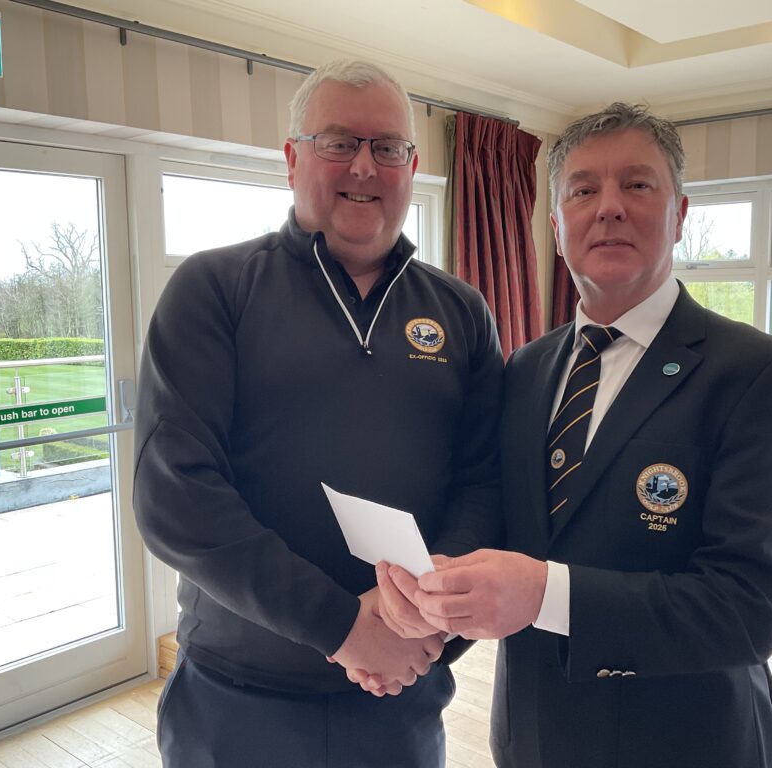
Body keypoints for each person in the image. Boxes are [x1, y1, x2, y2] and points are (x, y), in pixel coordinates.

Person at [379, 103, 772, 767]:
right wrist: (434, 598)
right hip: (534, 737)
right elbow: (502, 526)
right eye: (583, 190)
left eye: (637, 184)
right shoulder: (526, 369)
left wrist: (545, 594)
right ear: (556, 226)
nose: (609, 207)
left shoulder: (762, 376)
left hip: (686, 744)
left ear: (679, 213)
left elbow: (749, 606)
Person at [133, 59, 503, 767]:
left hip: (401, 699)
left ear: (411, 167)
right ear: (293, 158)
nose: (364, 166)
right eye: (338, 142)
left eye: (387, 147)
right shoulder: (214, 290)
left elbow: (485, 484)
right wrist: (343, 627)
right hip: (237, 701)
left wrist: (429, 621)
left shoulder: (461, 311)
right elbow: (174, 496)